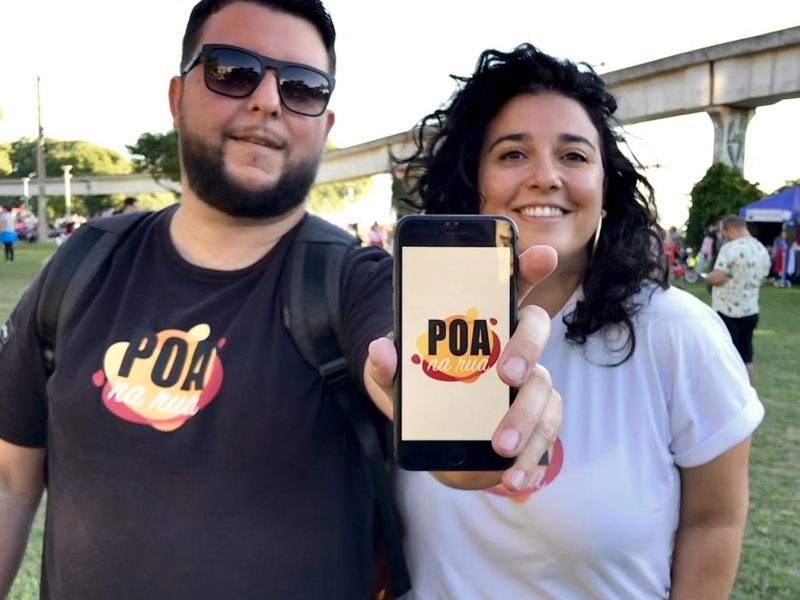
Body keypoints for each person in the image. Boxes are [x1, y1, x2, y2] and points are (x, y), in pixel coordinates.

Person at [0, 3, 562, 600]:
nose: (268, 99)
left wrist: (482, 408)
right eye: (232, 71)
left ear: (324, 123)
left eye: (302, 87)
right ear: (176, 96)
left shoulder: (354, 282)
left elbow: (418, 394)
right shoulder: (85, 261)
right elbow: (10, 477)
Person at [393, 44, 764, 599]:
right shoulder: (419, 324)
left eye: (574, 156)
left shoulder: (679, 334)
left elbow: (715, 522)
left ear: (606, 187)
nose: (545, 177)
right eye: (513, 154)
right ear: (476, 182)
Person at [705, 215, 771, 384]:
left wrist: (708, 278)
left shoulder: (730, 249)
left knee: (726, 355)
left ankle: (727, 390)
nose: (724, 237)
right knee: (746, 355)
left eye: (724, 234)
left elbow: (718, 277)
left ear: (730, 230)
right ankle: (749, 391)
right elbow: (762, 280)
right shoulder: (761, 249)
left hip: (727, 311)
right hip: (750, 311)